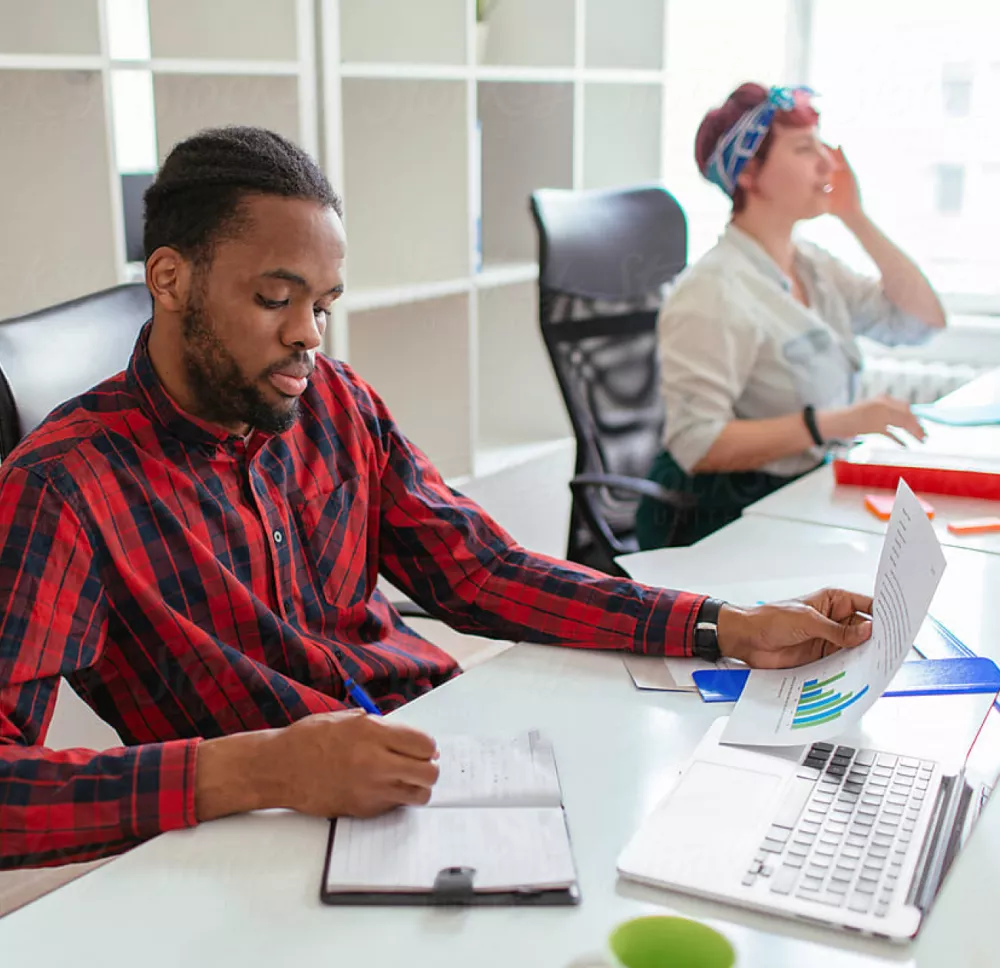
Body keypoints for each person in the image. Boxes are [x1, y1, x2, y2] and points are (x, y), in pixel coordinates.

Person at [0, 127, 874, 870]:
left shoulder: (332, 400)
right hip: (276, 841)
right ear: (169, 279)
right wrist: (258, 770)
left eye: (325, 303)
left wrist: (724, 625)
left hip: (452, 757)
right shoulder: (62, 490)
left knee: (710, 839)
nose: (308, 334)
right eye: (275, 299)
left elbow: (483, 571)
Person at [637, 83, 947, 549]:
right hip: (720, 518)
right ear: (748, 174)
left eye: (823, 145)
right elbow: (697, 443)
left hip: (796, 496)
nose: (828, 163)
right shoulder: (712, 291)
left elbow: (921, 321)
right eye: (805, 149)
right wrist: (834, 422)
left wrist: (855, 216)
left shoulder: (811, 265)